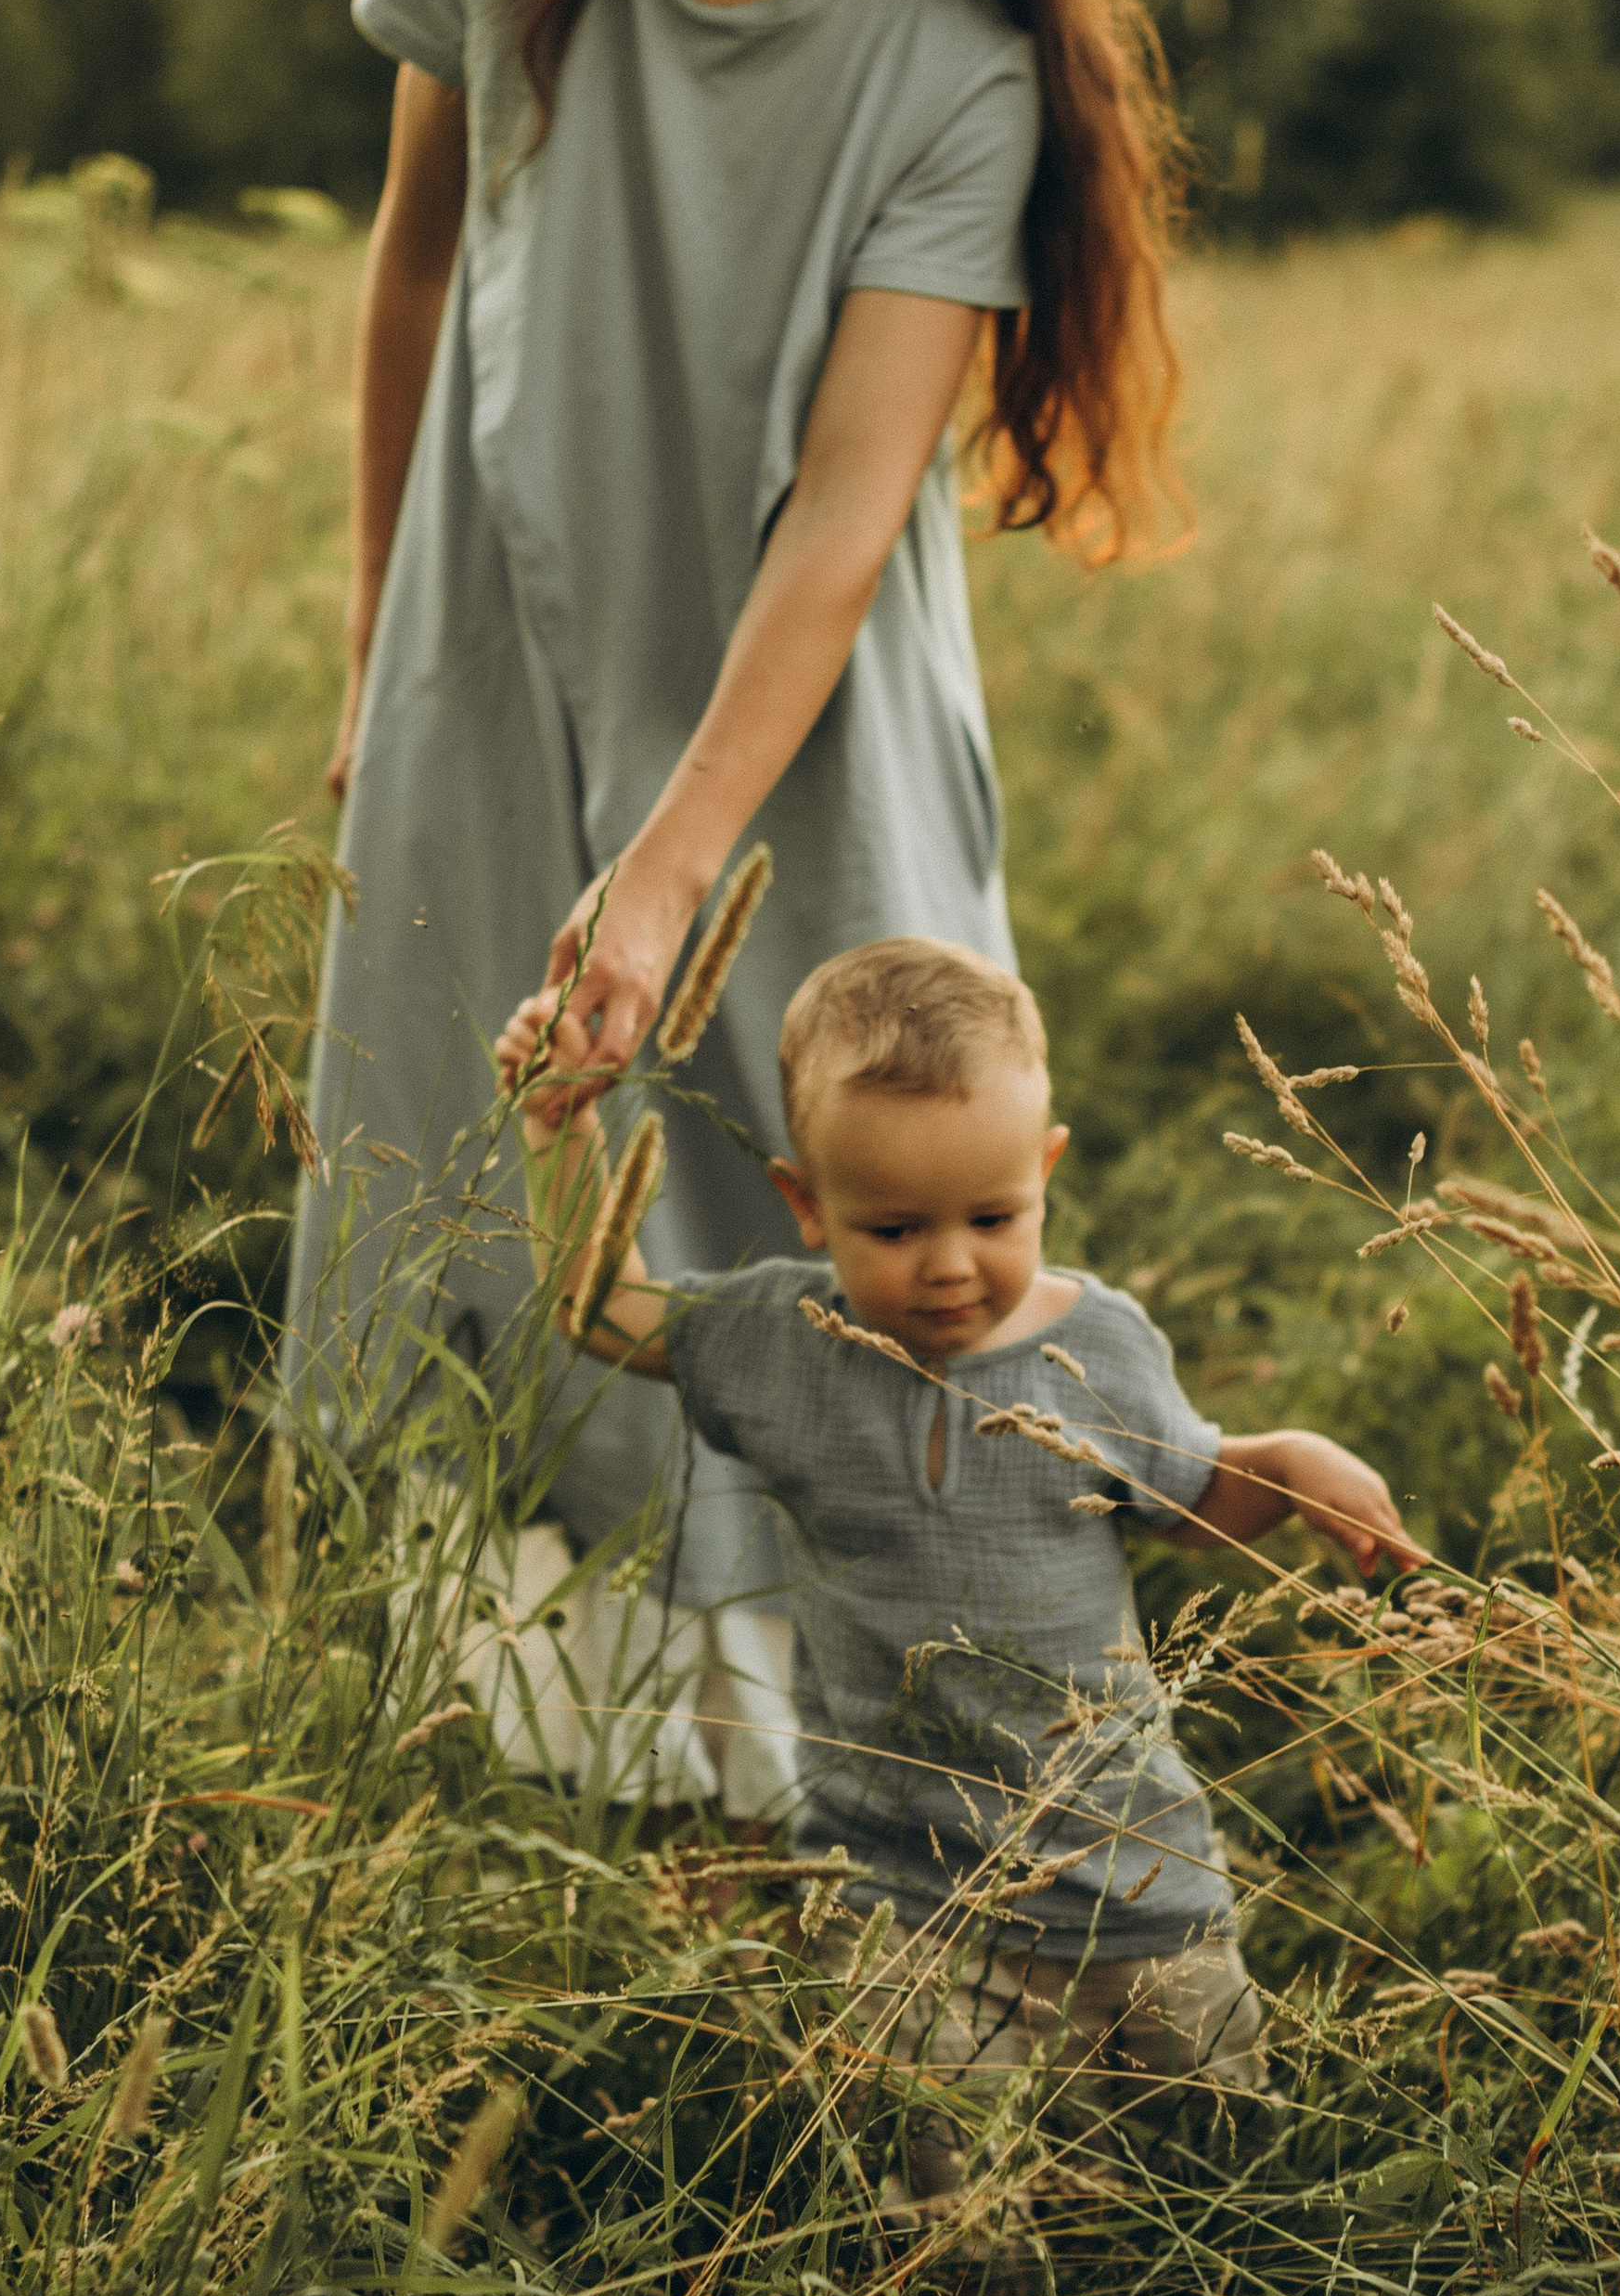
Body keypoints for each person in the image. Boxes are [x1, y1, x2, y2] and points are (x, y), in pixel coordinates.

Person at [285, 0, 1179, 1815]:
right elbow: (415, 260)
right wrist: (385, 632)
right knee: (487, 1208)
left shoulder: (961, 59)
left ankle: (923, 1833)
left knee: (860, 1248)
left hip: (809, 726)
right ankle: (556, 1798)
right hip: (497, 662)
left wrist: (673, 870)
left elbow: (854, 506)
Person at [495, 936, 1425, 2201]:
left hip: (1125, 1865)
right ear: (806, 1202)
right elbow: (606, 1310)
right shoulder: (784, 1342)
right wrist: (560, 1134)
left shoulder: (1094, 1346)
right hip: (899, 1886)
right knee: (942, 2180)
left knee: (1214, 2150)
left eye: (993, 1219)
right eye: (892, 1227)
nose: (948, 1265)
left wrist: (1293, 1462)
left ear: (1043, 1171)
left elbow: (1190, 1499)